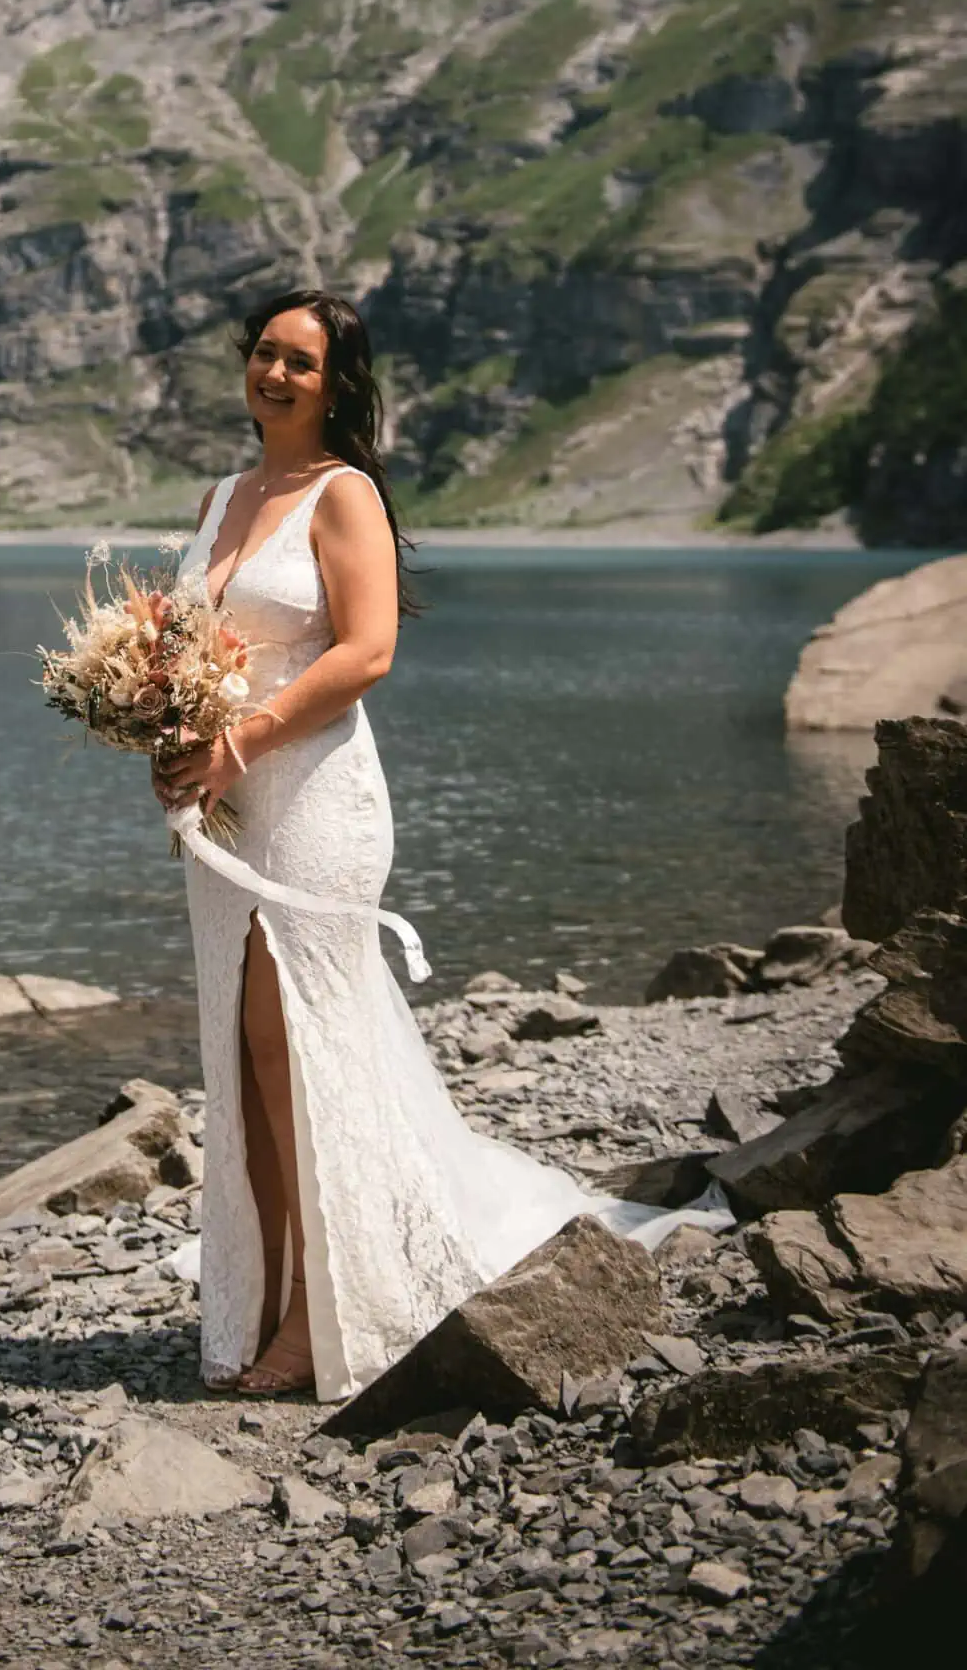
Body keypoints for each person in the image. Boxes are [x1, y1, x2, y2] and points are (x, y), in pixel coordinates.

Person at [152, 286, 694, 1401]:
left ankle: (321, 1314)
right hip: (222, 802)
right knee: (242, 1059)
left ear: (338, 383)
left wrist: (238, 740)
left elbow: (366, 651)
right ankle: (262, 1294)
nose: (274, 375)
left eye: (300, 362)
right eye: (262, 353)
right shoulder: (220, 495)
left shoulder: (342, 494)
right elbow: (188, 646)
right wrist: (164, 732)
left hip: (310, 798)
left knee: (292, 1044)